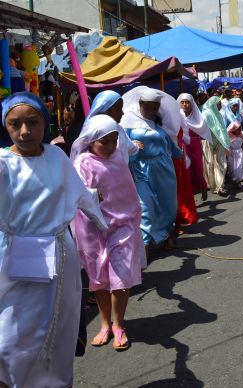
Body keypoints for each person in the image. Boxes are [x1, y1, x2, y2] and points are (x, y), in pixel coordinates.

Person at [0, 92, 107, 387]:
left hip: (59, 255)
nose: (24, 131)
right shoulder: (2, 163)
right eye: (15, 124)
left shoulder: (56, 156)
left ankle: (57, 381)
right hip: (13, 258)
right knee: (11, 333)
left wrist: (100, 218)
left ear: (44, 123)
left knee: (59, 325)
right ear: (5, 126)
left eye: (32, 122)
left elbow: (79, 192)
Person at [70, 114, 143, 351]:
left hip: (122, 226)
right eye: (106, 142)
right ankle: (104, 324)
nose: (111, 147)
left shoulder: (118, 160)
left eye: (114, 141)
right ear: (91, 140)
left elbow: (128, 194)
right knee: (99, 280)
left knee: (121, 278)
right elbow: (78, 193)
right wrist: (92, 195)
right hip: (92, 229)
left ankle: (119, 324)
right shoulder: (82, 162)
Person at [120, 86, 182, 252]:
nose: (151, 111)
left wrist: (180, 154)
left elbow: (168, 144)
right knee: (146, 207)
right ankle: (146, 245)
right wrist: (132, 148)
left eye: (154, 108)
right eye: (147, 106)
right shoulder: (127, 124)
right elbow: (121, 146)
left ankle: (166, 234)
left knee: (167, 205)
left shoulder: (158, 123)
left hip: (163, 169)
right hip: (139, 169)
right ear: (139, 104)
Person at [177, 93, 212, 200]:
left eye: (187, 102)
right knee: (186, 169)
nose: (184, 105)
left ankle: (203, 187)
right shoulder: (177, 116)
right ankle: (190, 194)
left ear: (191, 104)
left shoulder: (197, 117)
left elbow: (204, 129)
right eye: (182, 102)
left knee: (197, 168)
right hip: (182, 145)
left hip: (195, 145)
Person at [202, 96, 230, 196]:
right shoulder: (205, 114)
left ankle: (220, 186)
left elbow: (222, 129)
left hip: (219, 141)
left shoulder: (219, 114)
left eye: (220, 104)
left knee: (220, 162)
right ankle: (211, 185)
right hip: (208, 141)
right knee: (209, 163)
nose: (219, 105)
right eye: (217, 103)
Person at [226, 121, 243, 187]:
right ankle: (233, 180)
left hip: (239, 153)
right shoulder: (228, 135)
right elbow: (226, 144)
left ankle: (238, 181)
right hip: (231, 153)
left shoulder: (241, 134)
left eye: (240, 128)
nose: (239, 130)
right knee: (232, 167)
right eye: (238, 129)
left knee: (239, 167)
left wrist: (242, 136)